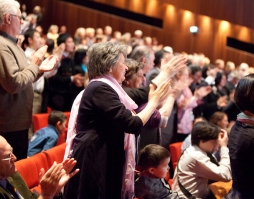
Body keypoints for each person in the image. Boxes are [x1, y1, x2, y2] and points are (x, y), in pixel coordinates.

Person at [63, 42, 186, 199]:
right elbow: (132, 123)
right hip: (94, 159)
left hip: (105, 155)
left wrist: (165, 76)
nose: (126, 67)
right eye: (122, 62)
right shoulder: (100, 88)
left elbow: (141, 95)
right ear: (109, 66)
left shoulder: (110, 90)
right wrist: (154, 101)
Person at [0, 0, 58, 160]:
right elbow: (13, 83)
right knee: (10, 177)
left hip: (16, 123)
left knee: (16, 173)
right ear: (8, 18)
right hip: (8, 125)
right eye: (19, 17)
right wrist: (35, 63)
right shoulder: (2, 46)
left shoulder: (12, 45)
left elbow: (23, 78)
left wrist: (39, 70)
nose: (23, 21)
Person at [0, 135, 79, 199]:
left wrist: (55, 191)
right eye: (8, 155)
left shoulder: (12, 174)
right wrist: (46, 195)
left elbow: (31, 197)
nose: (15, 158)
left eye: (11, 151)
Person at [172, 121, 231, 198]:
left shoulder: (196, 150)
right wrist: (224, 147)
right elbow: (225, 175)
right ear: (202, 141)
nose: (217, 144)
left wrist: (217, 145)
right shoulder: (196, 156)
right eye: (213, 142)